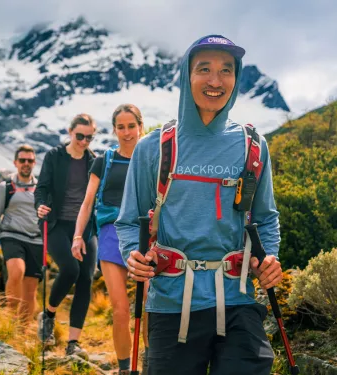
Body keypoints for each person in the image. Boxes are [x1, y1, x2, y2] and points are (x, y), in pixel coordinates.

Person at [115, 34, 283, 375]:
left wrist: (270, 258)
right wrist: (133, 254)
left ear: (236, 80)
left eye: (226, 70)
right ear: (185, 76)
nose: (215, 81)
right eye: (203, 69)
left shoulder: (252, 145)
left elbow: (265, 218)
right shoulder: (154, 147)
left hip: (238, 299)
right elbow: (130, 219)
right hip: (171, 302)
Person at [72, 104, 146, 375]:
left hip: (144, 236)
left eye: (131, 126)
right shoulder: (104, 160)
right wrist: (78, 236)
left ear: (140, 126)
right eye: (121, 127)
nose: (126, 132)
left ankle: (151, 364)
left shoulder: (151, 158)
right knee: (120, 310)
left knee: (149, 307)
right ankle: (125, 369)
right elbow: (88, 202)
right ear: (114, 129)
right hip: (111, 235)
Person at [34, 114, 98, 359]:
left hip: (85, 228)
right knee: (70, 270)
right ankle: (48, 315)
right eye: (79, 136)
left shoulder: (94, 161)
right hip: (57, 224)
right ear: (70, 132)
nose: (83, 141)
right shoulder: (55, 156)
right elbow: (42, 188)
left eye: (89, 137)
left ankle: (73, 342)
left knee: (86, 279)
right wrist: (40, 205)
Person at [0, 144, 42, 328]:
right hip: (12, 236)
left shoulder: (42, 188)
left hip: (36, 240)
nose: (26, 164)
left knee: (30, 290)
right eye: (22, 160)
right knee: (17, 271)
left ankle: (22, 331)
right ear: (15, 163)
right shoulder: (5, 187)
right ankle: (9, 321)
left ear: (34, 162)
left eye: (30, 160)